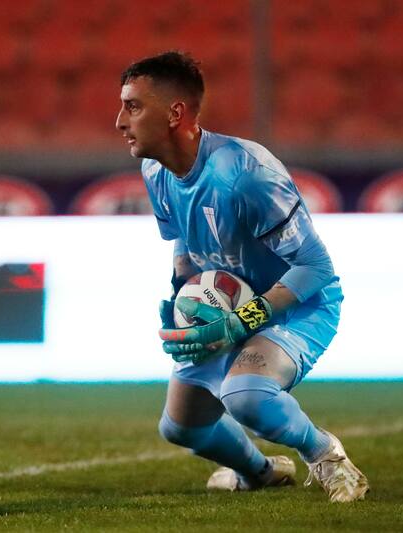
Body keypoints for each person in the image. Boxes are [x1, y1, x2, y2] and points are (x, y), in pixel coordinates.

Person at [115, 51, 369, 503]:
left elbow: (315, 267)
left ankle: (329, 457)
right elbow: (183, 239)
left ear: (175, 113)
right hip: (230, 304)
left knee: (245, 396)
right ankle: (260, 471)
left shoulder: (245, 174)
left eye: (133, 106)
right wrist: (180, 296)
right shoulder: (155, 170)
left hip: (298, 305)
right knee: (180, 425)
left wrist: (242, 320)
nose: (120, 120)